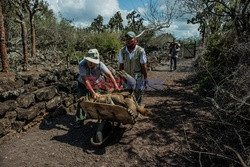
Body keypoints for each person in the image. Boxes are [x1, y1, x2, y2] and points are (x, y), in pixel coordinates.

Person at [72, 48, 120, 128]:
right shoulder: (82, 64)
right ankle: (79, 119)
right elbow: (85, 81)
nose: (91, 63)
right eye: (89, 61)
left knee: (99, 99)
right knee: (82, 100)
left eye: (93, 62)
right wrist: (93, 93)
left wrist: (116, 86)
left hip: (95, 82)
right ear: (86, 59)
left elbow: (109, 75)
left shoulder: (100, 64)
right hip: (83, 83)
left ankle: (101, 116)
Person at [118, 31, 147, 105]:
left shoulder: (140, 51)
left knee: (138, 96)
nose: (128, 40)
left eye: (130, 38)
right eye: (126, 39)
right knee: (126, 97)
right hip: (126, 77)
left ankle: (138, 111)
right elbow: (121, 66)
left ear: (135, 39)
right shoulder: (122, 51)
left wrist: (145, 79)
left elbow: (143, 66)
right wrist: (121, 79)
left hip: (138, 77)